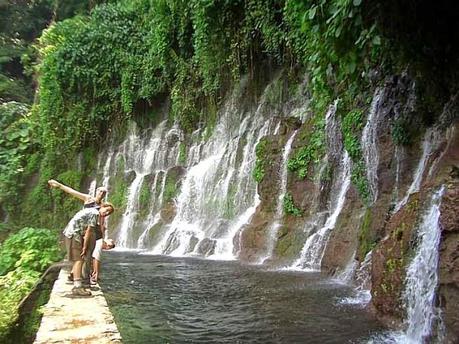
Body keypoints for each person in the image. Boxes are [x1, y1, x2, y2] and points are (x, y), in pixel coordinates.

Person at [48, 179, 109, 284]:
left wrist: (101, 236)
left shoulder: (102, 206)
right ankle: (76, 277)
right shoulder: (88, 199)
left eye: (104, 192)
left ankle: (78, 276)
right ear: (96, 191)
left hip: (90, 230)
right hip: (81, 229)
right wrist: (59, 185)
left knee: (86, 253)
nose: (101, 193)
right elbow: (72, 192)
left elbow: (101, 222)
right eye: (100, 191)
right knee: (80, 253)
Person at [63, 203, 114, 296]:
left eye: (108, 213)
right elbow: (89, 232)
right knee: (79, 259)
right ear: (102, 206)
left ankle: (77, 284)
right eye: (106, 210)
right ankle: (77, 287)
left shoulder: (91, 210)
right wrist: (85, 247)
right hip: (74, 234)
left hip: (70, 233)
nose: (106, 213)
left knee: (77, 260)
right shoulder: (95, 214)